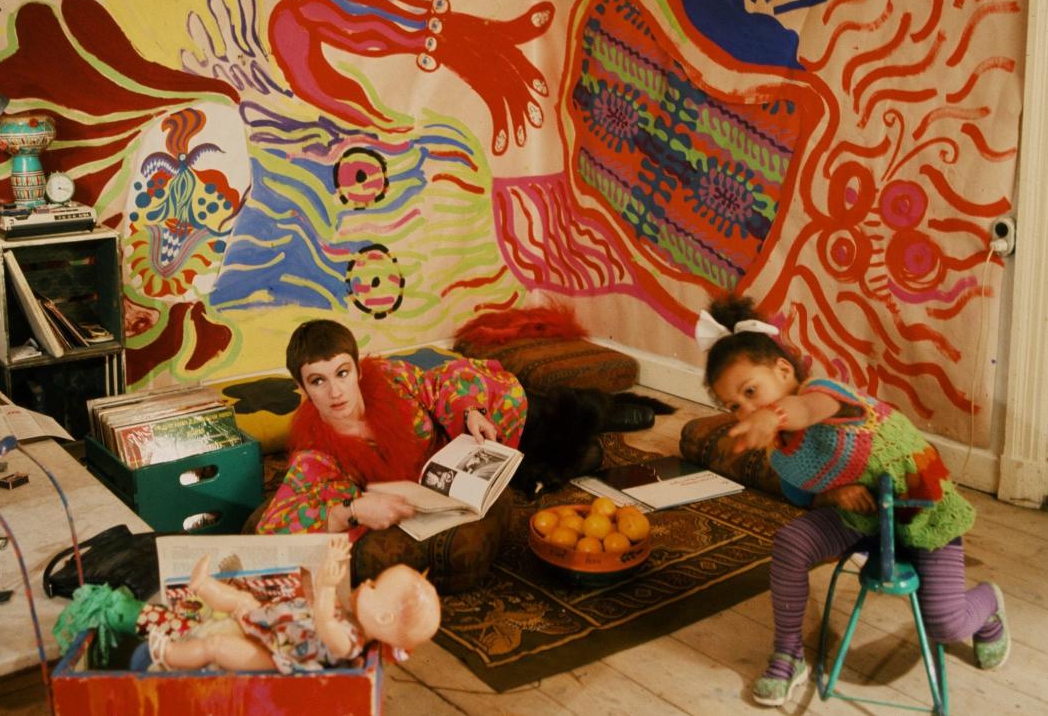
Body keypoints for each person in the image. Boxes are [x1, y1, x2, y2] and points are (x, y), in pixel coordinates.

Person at [697, 295, 1010, 707]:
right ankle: (789, 653)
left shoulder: (824, 393)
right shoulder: (780, 450)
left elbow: (806, 408)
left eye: (751, 391)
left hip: (919, 510)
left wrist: (774, 415)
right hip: (861, 517)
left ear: (783, 369)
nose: (747, 409)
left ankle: (988, 604)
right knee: (791, 542)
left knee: (946, 623)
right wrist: (831, 493)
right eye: (735, 406)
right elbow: (801, 495)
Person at [257, 319, 669, 538]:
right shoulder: (318, 454)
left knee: (562, 414)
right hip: (455, 478)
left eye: (342, 373)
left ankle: (609, 408)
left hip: (476, 432)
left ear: (356, 368)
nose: (335, 391)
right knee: (587, 456)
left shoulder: (388, 379)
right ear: (302, 388)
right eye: (318, 381)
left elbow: (441, 379)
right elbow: (274, 525)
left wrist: (469, 410)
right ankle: (559, 457)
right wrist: (349, 512)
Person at [150, 537, 439, 672]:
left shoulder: (349, 643)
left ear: (385, 617)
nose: (365, 583)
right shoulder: (352, 621)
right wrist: (325, 566)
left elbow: (324, 621)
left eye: (374, 586)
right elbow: (315, 607)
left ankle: (171, 654)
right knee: (243, 600)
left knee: (218, 646)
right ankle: (202, 586)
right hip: (276, 625)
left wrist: (326, 585)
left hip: (277, 656)